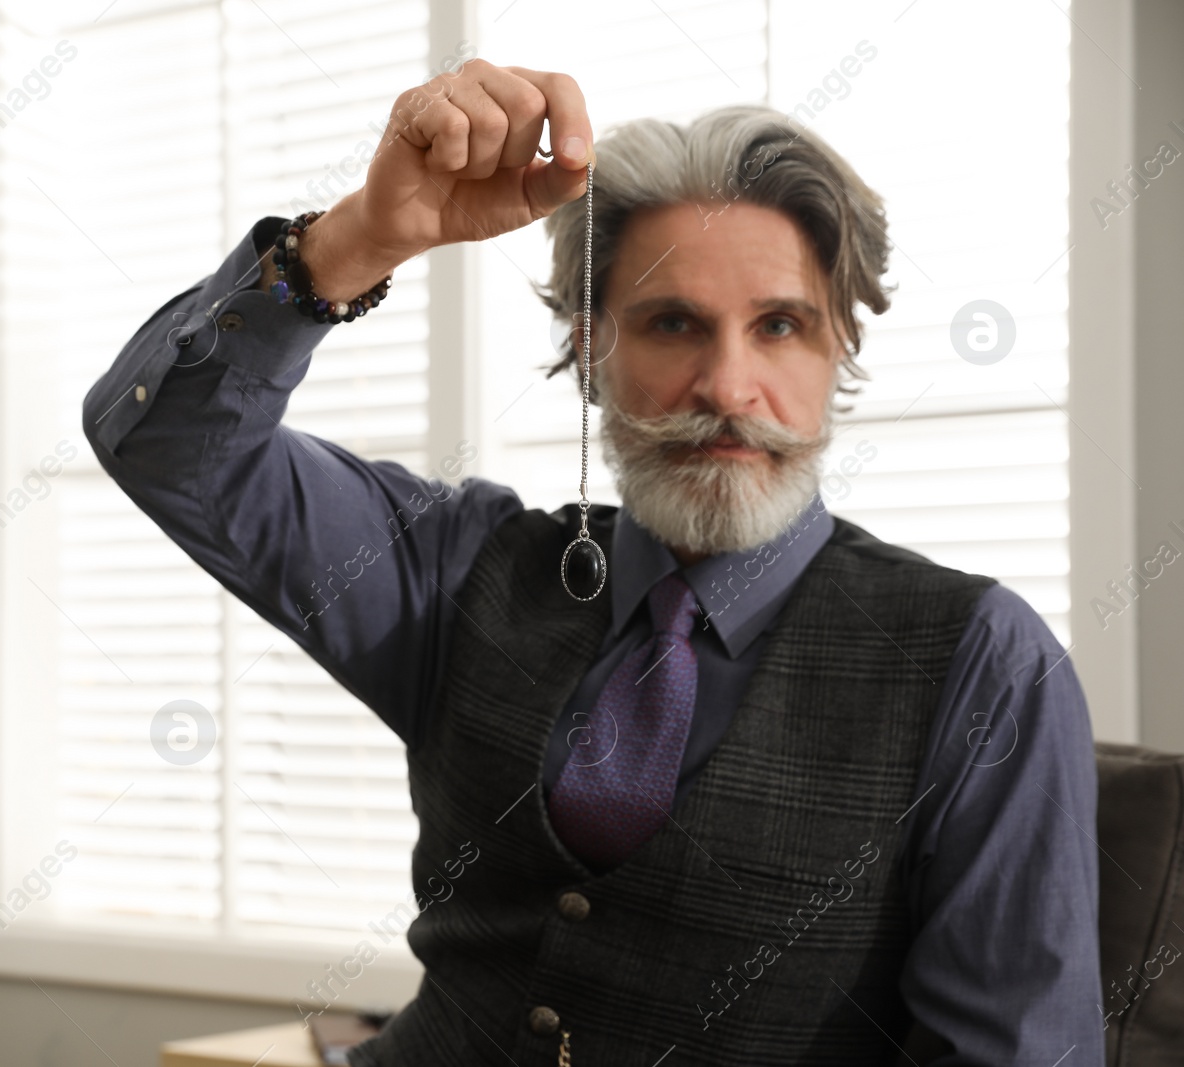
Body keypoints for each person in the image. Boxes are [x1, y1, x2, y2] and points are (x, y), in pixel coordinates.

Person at [84, 60, 1102, 1066]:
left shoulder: (982, 660)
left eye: (779, 325)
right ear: (589, 349)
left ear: (837, 349)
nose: (727, 384)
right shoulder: (457, 571)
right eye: (671, 323)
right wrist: (358, 240)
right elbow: (165, 442)